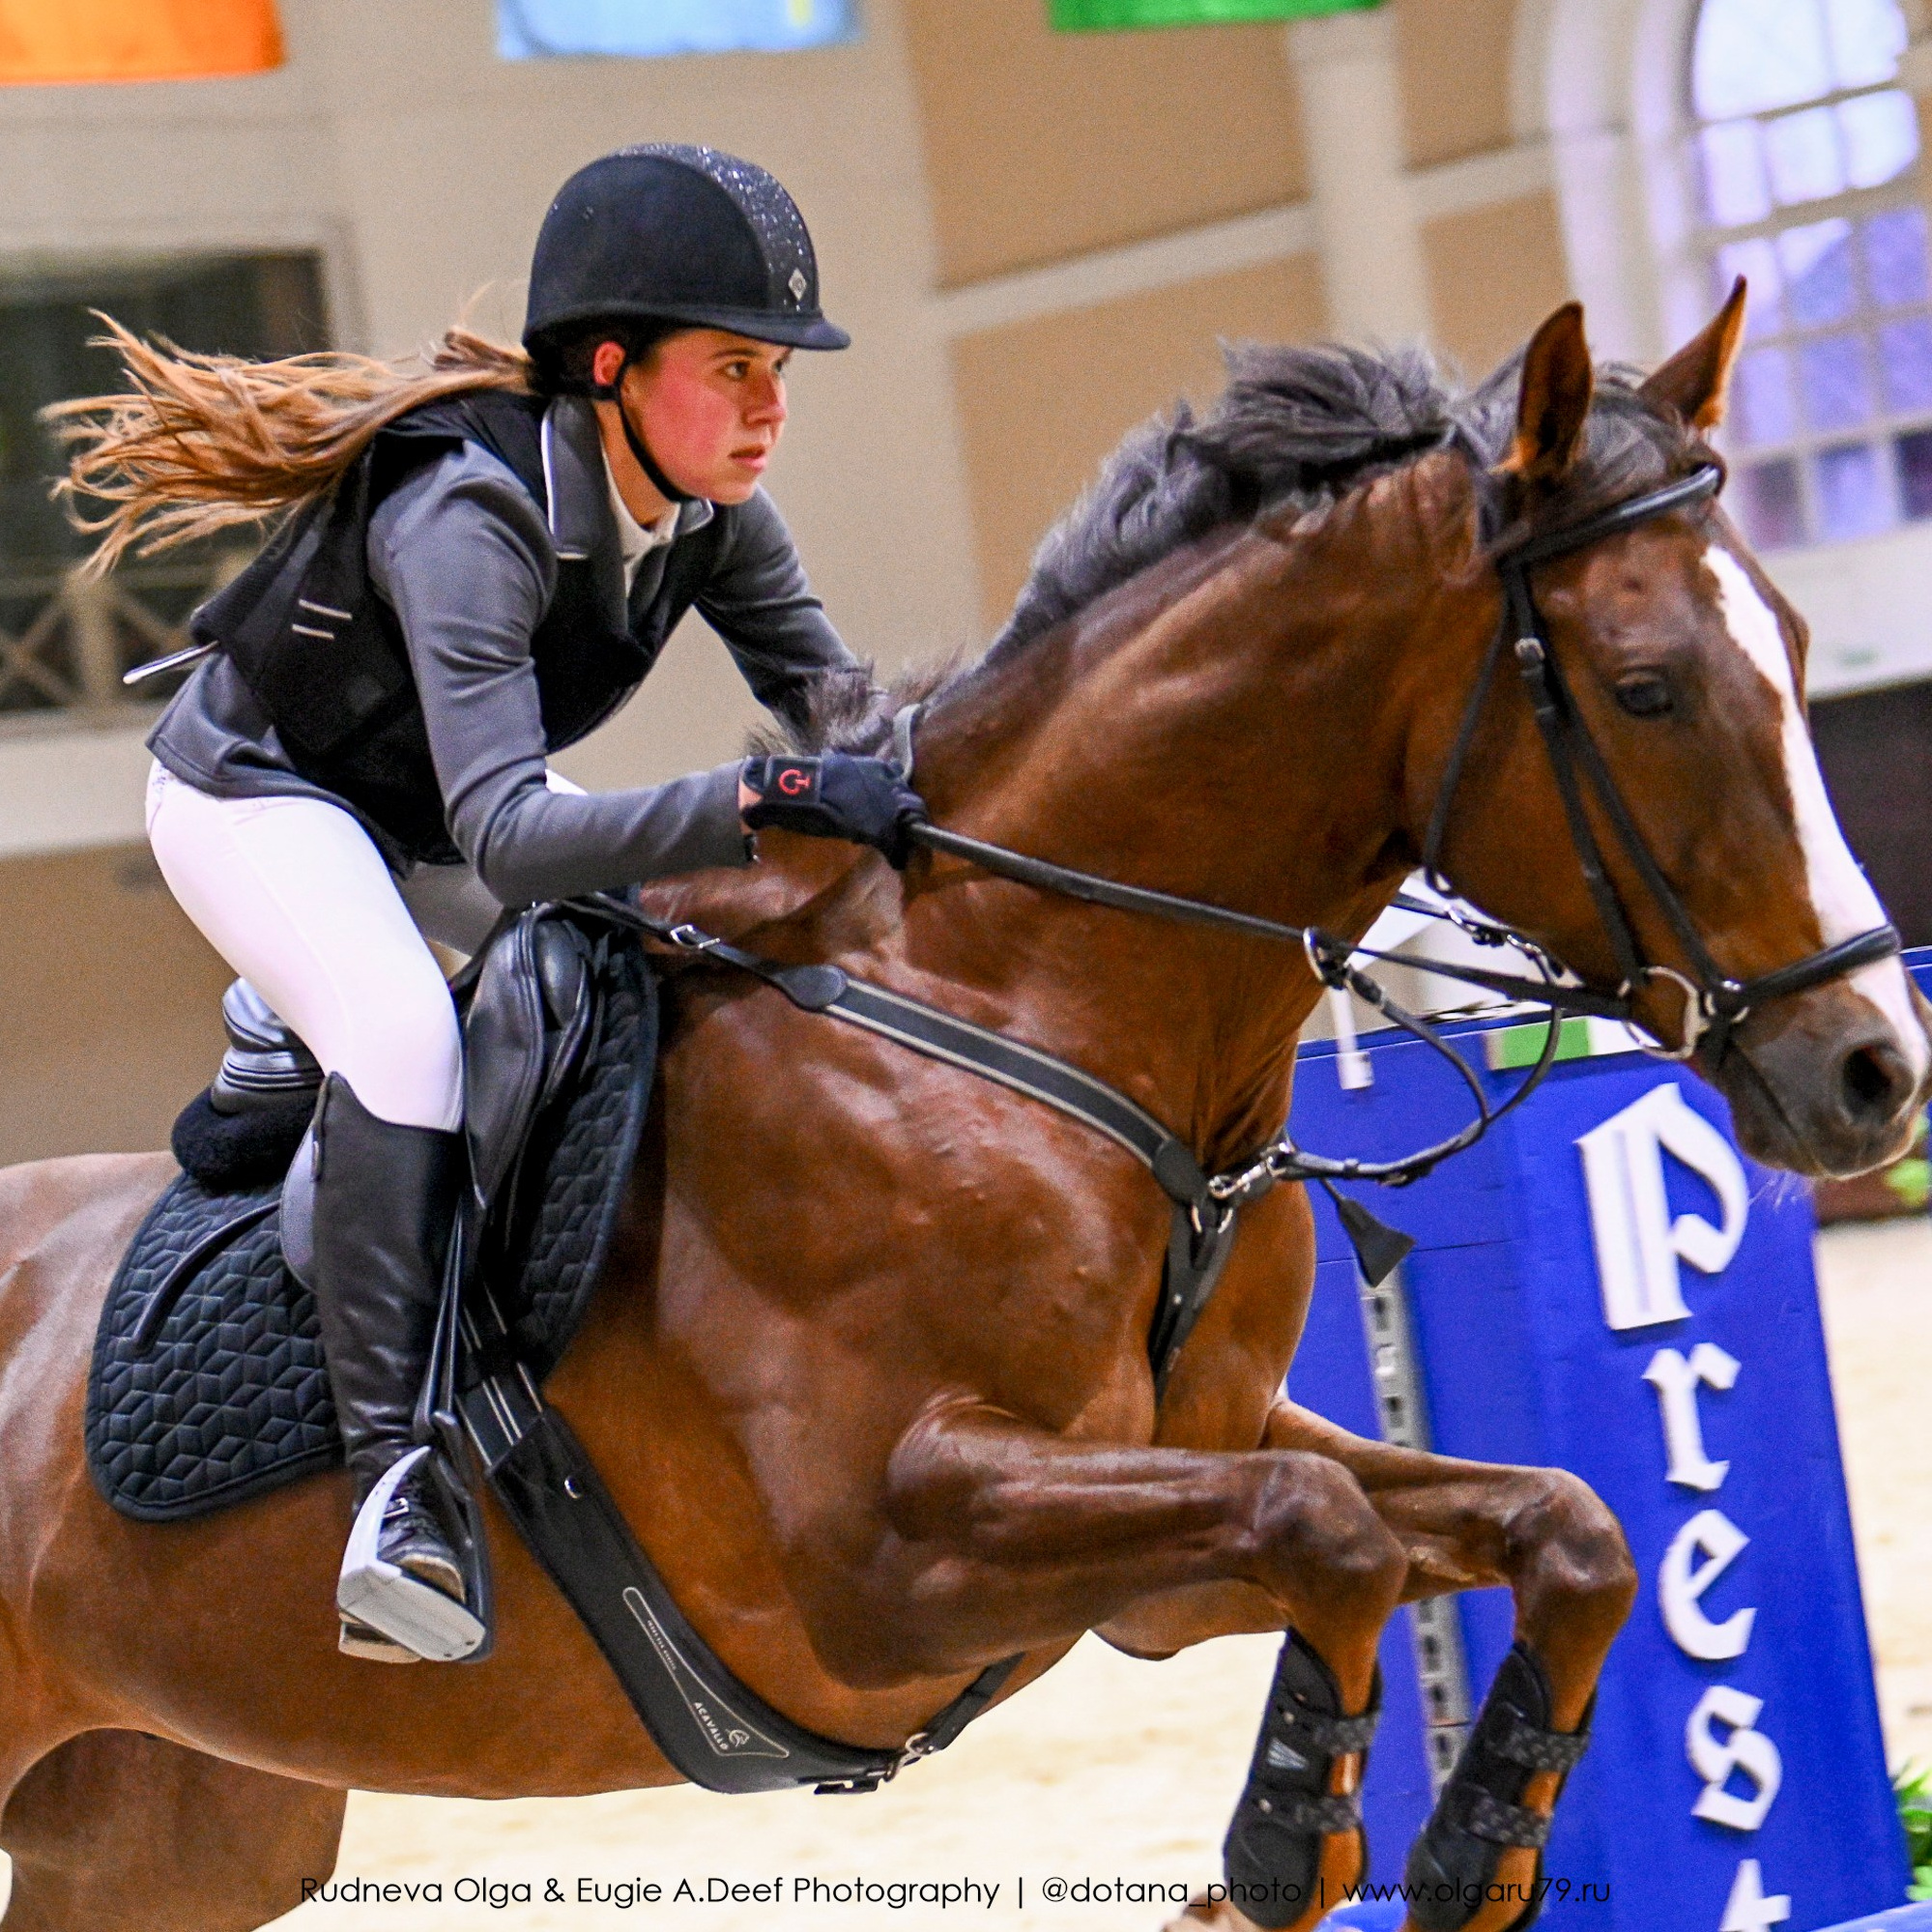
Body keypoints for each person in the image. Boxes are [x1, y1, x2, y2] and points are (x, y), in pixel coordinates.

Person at [53, 145, 924, 1665]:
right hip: (259, 801)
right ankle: (395, 1490)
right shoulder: (471, 515)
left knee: (666, 963)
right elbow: (517, 841)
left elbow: (844, 724)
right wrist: (750, 806)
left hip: (408, 829)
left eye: (778, 368)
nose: (774, 404)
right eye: (735, 368)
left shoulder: (716, 515)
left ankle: (285, 1013)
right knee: (404, 1037)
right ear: (611, 369)